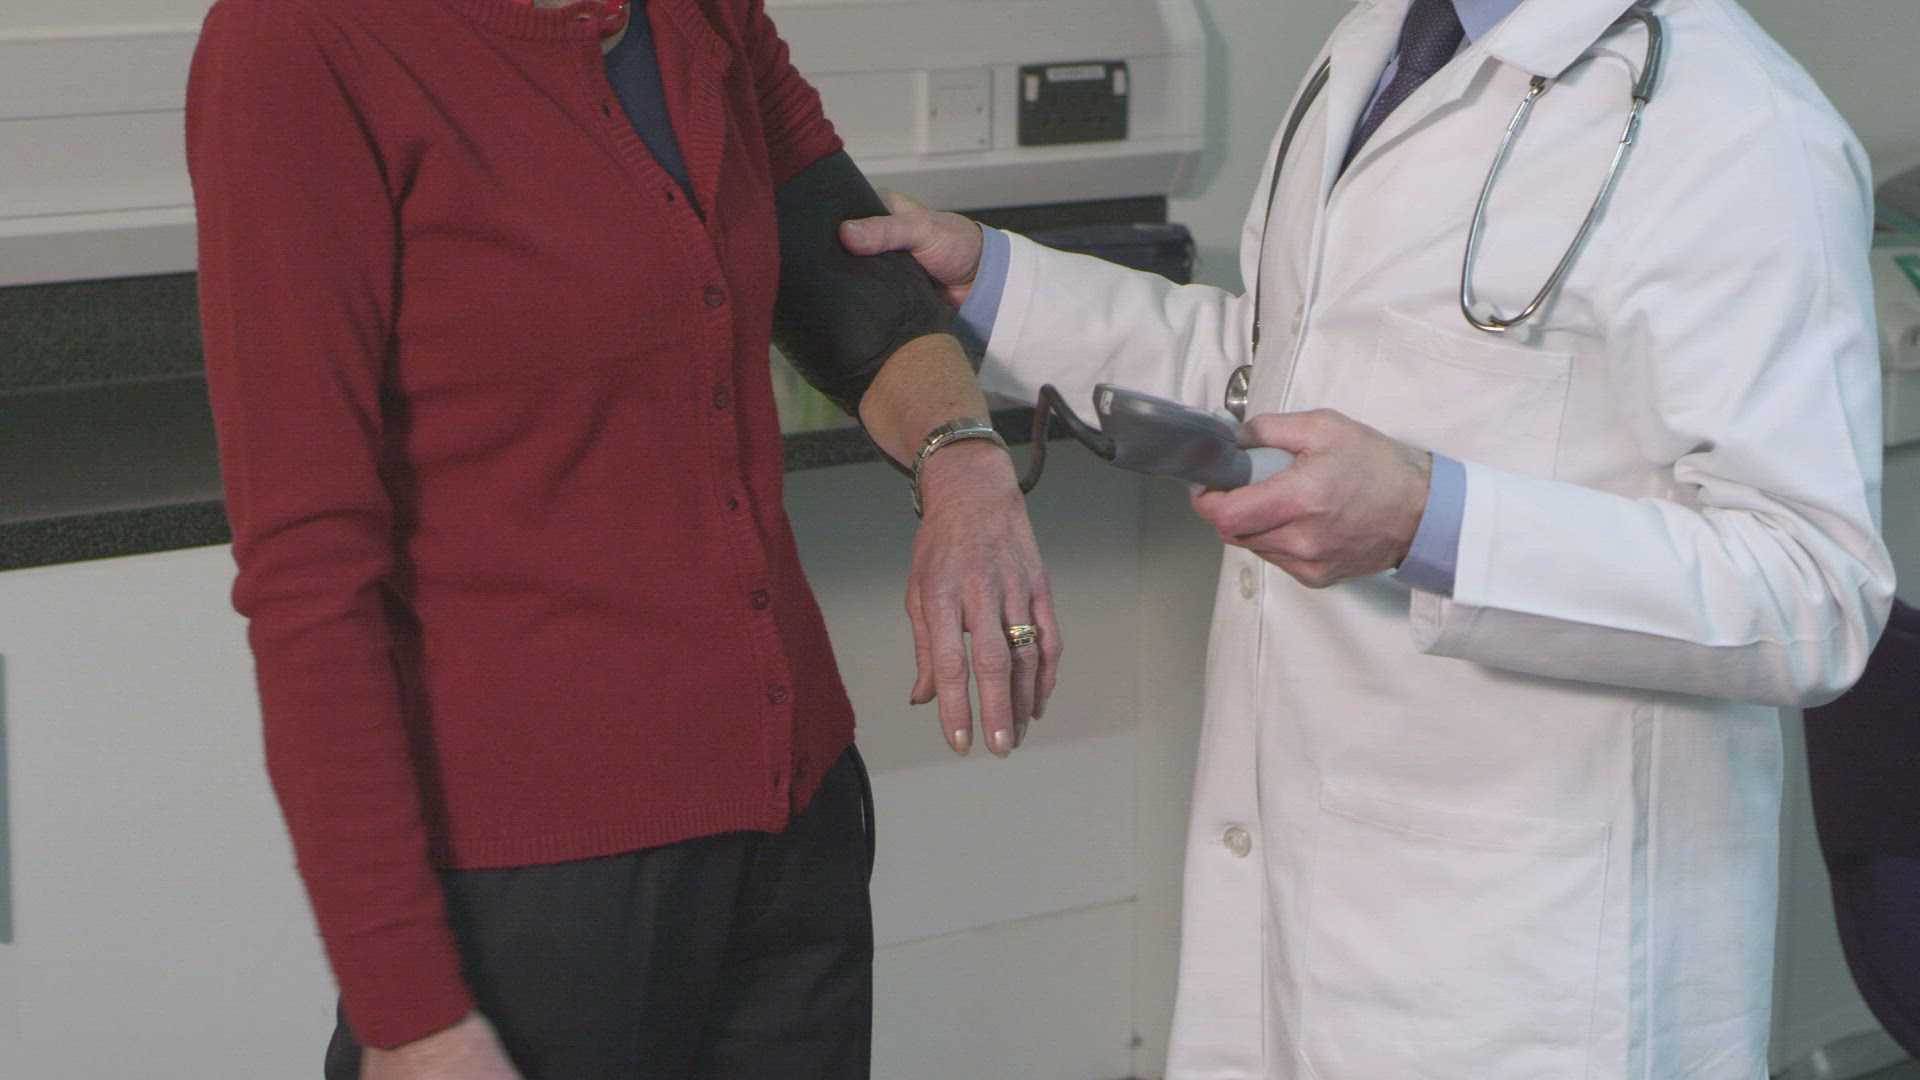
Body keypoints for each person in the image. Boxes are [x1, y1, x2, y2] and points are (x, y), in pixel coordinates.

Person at [844, 0, 1895, 1075]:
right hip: (1301, 890)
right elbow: (1274, 372)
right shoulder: (1381, 43)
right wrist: (996, 285)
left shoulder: (1738, 123)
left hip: (1533, 954)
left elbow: (1812, 590)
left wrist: (1428, 522)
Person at [184, 0, 1061, 1076]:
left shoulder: (700, 14)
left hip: (793, 829)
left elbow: (854, 277)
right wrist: (405, 1011)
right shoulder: (297, 42)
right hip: (536, 878)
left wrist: (963, 463)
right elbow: (308, 574)